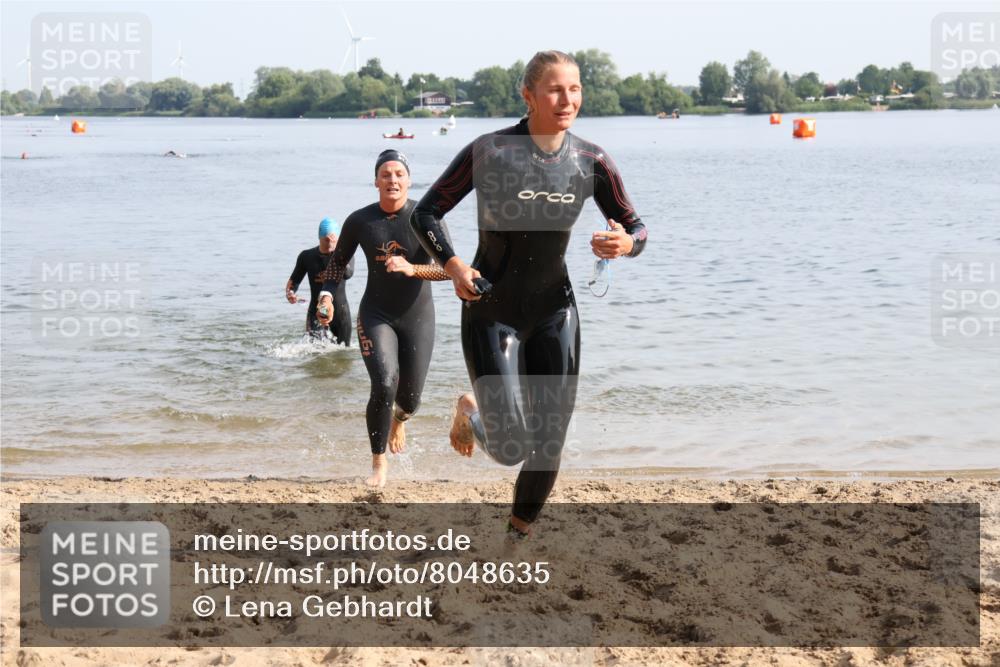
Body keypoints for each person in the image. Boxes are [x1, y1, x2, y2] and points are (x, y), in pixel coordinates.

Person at [407, 50, 647, 537]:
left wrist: (626, 243)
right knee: (512, 445)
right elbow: (425, 213)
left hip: (555, 311)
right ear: (529, 95)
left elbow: (638, 228)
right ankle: (471, 411)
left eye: (575, 88)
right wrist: (453, 266)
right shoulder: (491, 151)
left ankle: (517, 534)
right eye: (556, 89)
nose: (568, 99)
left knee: (549, 441)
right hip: (490, 311)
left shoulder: (590, 160)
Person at [316, 150, 451, 488]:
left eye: (399, 174)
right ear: (376, 181)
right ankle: (379, 464)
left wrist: (411, 268)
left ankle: (399, 420)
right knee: (384, 383)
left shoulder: (426, 219)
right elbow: (336, 265)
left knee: (410, 401)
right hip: (376, 314)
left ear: (408, 180)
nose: (392, 180)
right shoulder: (360, 221)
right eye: (386, 174)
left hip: (418, 316)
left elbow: (449, 270)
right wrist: (327, 295)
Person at [286, 218, 355, 345]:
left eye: (333, 240)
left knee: (344, 354)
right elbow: (294, 281)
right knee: (314, 351)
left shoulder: (344, 255)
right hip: (316, 311)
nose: (330, 243)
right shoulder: (306, 256)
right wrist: (290, 293)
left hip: (341, 313)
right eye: (326, 240)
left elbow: (348, 274)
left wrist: (339, 256)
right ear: (320, 237)